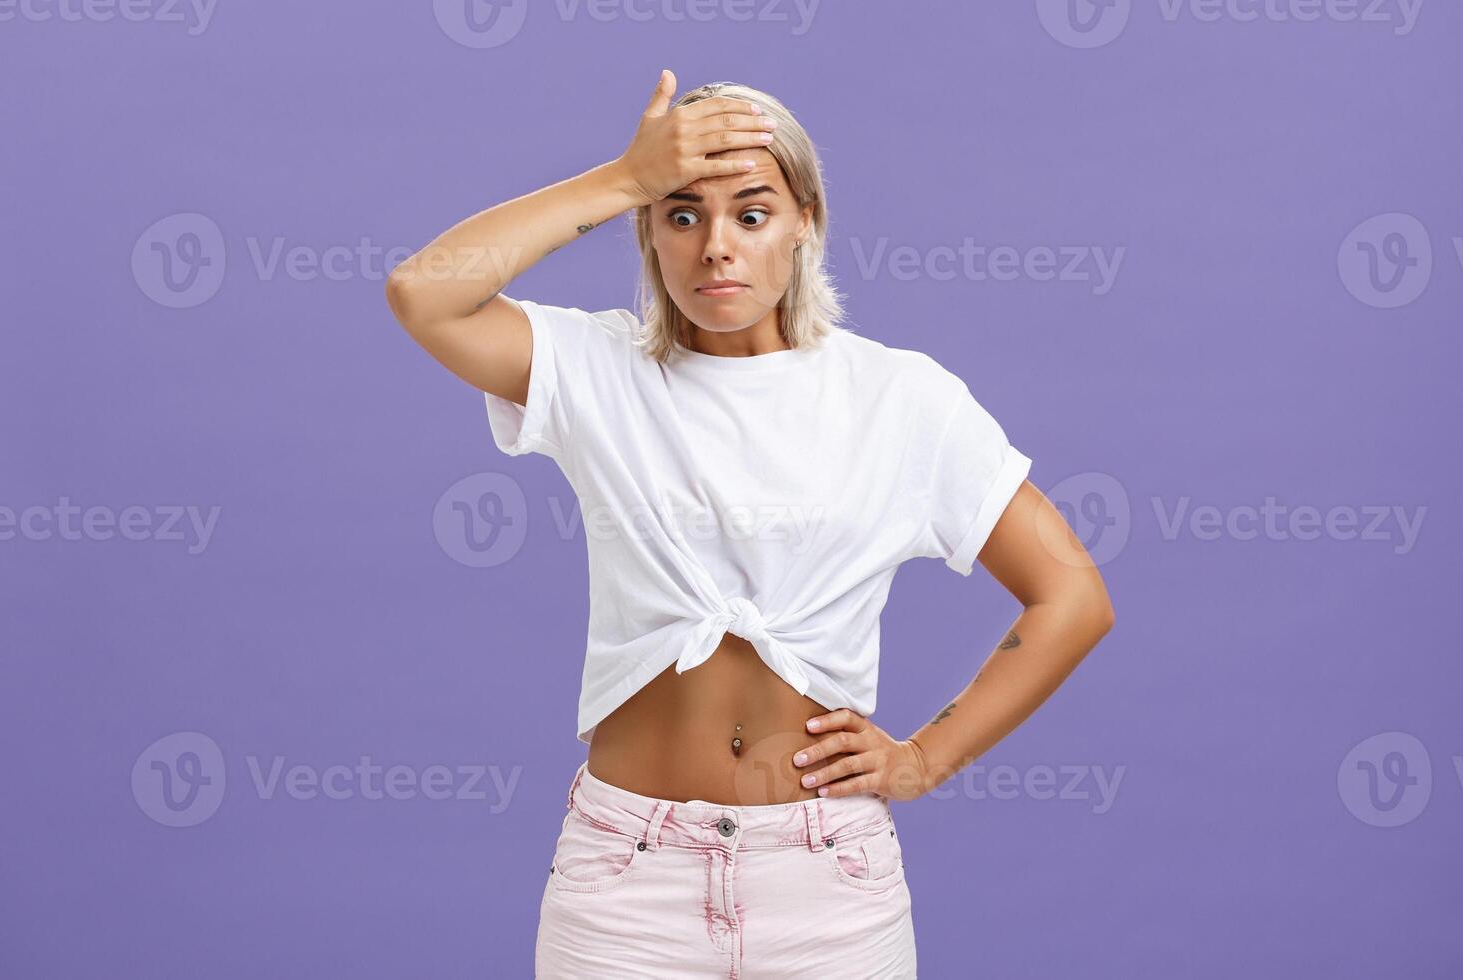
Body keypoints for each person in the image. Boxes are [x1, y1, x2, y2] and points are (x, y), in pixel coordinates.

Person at [385, 70, 1116, 979]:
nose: (716, 248)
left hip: (828, 884)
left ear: (805, 219)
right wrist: (621, 177)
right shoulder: (598, 370)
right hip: (626, 879)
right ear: (649, 231)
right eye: (681, 215)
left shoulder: (900, 399)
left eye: (753, 214)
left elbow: (1072, 595)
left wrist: (924, 758)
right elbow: (425, 293)